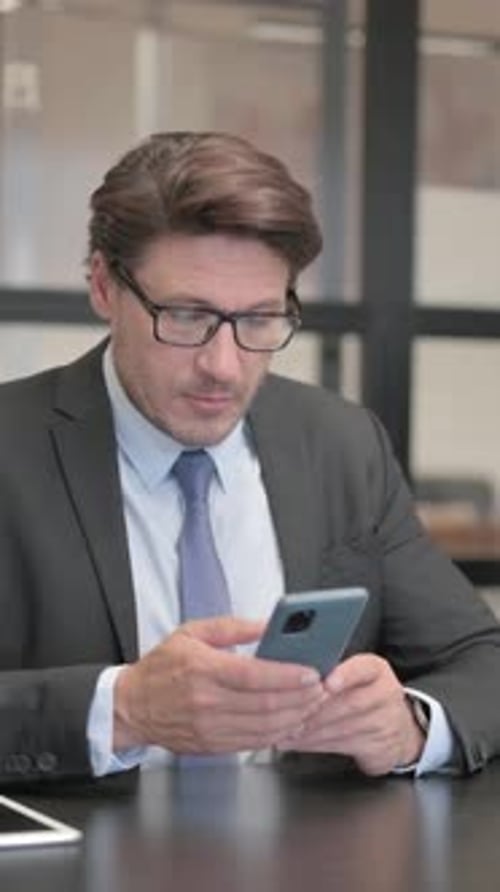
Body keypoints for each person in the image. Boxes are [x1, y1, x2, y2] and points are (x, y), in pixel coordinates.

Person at [0, 131, 499, 786]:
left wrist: (411, 723)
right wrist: (123, 710)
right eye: (185, 316)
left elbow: (480, 659)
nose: (223, 366)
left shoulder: (341, 443)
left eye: (261, 319)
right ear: (102, 287)